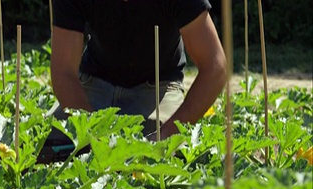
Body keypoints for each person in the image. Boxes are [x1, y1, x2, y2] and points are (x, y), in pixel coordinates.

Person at [48, 0, 227, 141]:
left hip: (158, 86)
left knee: (164, 149)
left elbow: (215, 68)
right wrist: (91, 137)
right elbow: (63, 72)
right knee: (50, 141)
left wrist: (166, 134)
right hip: (94, 83)